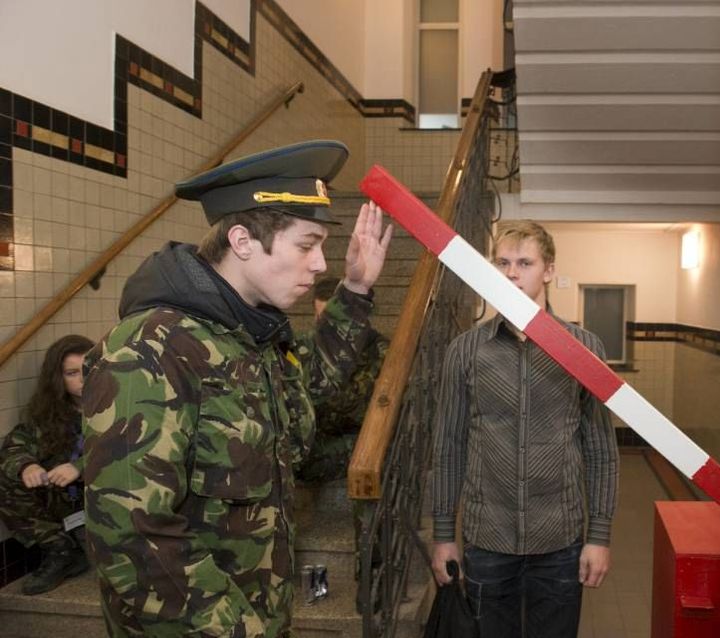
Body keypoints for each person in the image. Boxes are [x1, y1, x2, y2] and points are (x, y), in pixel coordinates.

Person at [82, 140, 392, 637]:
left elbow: (307, 386)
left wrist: (354, 292)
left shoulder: (249, 334)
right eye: (307, 245)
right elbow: (132, 533)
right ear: (244, 241)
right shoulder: (154, 348)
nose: (320, 265)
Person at [430, 220, 619, 638]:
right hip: (487, 540)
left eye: (524, 262)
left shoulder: (584, 349)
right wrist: (444, 535)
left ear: (548, 270)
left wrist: (599, 536)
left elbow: (601, 451)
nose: (511, 273)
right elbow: (448, 447)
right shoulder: (465, 351)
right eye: (502, 263)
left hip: (560, 542)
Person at [0, 334, 94, 595]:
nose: (82, 379)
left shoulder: (121, 404)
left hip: (109, 502)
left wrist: (80, 467)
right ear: (58, 378)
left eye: (87, 370)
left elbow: (127, 451)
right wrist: (27, 466)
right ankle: (60, 550)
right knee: (7, 476)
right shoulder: (51, 411)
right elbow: (15, 445)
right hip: (67, 506)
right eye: (72, 373)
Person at [294, 275, 389, 484]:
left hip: (358, 440)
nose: (326, 330)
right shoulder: (310, 348)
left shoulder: (381, 352)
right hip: (319, 436)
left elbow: (361, 409)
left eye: (333, 322)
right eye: (320, 320)